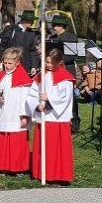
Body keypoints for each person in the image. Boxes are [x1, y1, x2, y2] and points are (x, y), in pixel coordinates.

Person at [28, 48, 75, 183]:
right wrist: (37, 104)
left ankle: (59, 175)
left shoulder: (65, 78)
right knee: (43, 148)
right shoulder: (41, 75)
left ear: (59, 63)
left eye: (50, 63)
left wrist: (48, 99)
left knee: (57, 149)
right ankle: (41, 173)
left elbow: (65, 98)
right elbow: (32, 93)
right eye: (46, 62)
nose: (47, 65)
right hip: (44, 117)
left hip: (57, 119)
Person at [0, 47, 33, 174]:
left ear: (17, 63)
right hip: (2, 113)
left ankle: (18, 167)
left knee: (17, 142)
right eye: (5, 63)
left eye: (10, 63)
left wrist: (25, 115)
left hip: (15, 115)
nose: (7, 66)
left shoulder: (23, 79)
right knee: (1, 139)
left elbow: (26, 99)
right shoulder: (0, 77)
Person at [49, 15, 80, 130]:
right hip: (55, 70)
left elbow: (71, 56)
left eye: (55, 26)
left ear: (61, 26)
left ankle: (75, 119)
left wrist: (57, 61)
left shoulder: (71, 37)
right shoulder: (52, 37)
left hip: (67, 69)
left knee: (71, 96)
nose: (54, 28)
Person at [0, 10, 39, 75]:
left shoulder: (31, 34)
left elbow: (33, 51)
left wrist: (34, 66)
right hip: (11, 64)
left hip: (25, 66)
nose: (33, 23)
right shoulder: (11, 30)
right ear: (25, 21)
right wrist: (1, 61)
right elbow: (3, 46)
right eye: (31, 21)